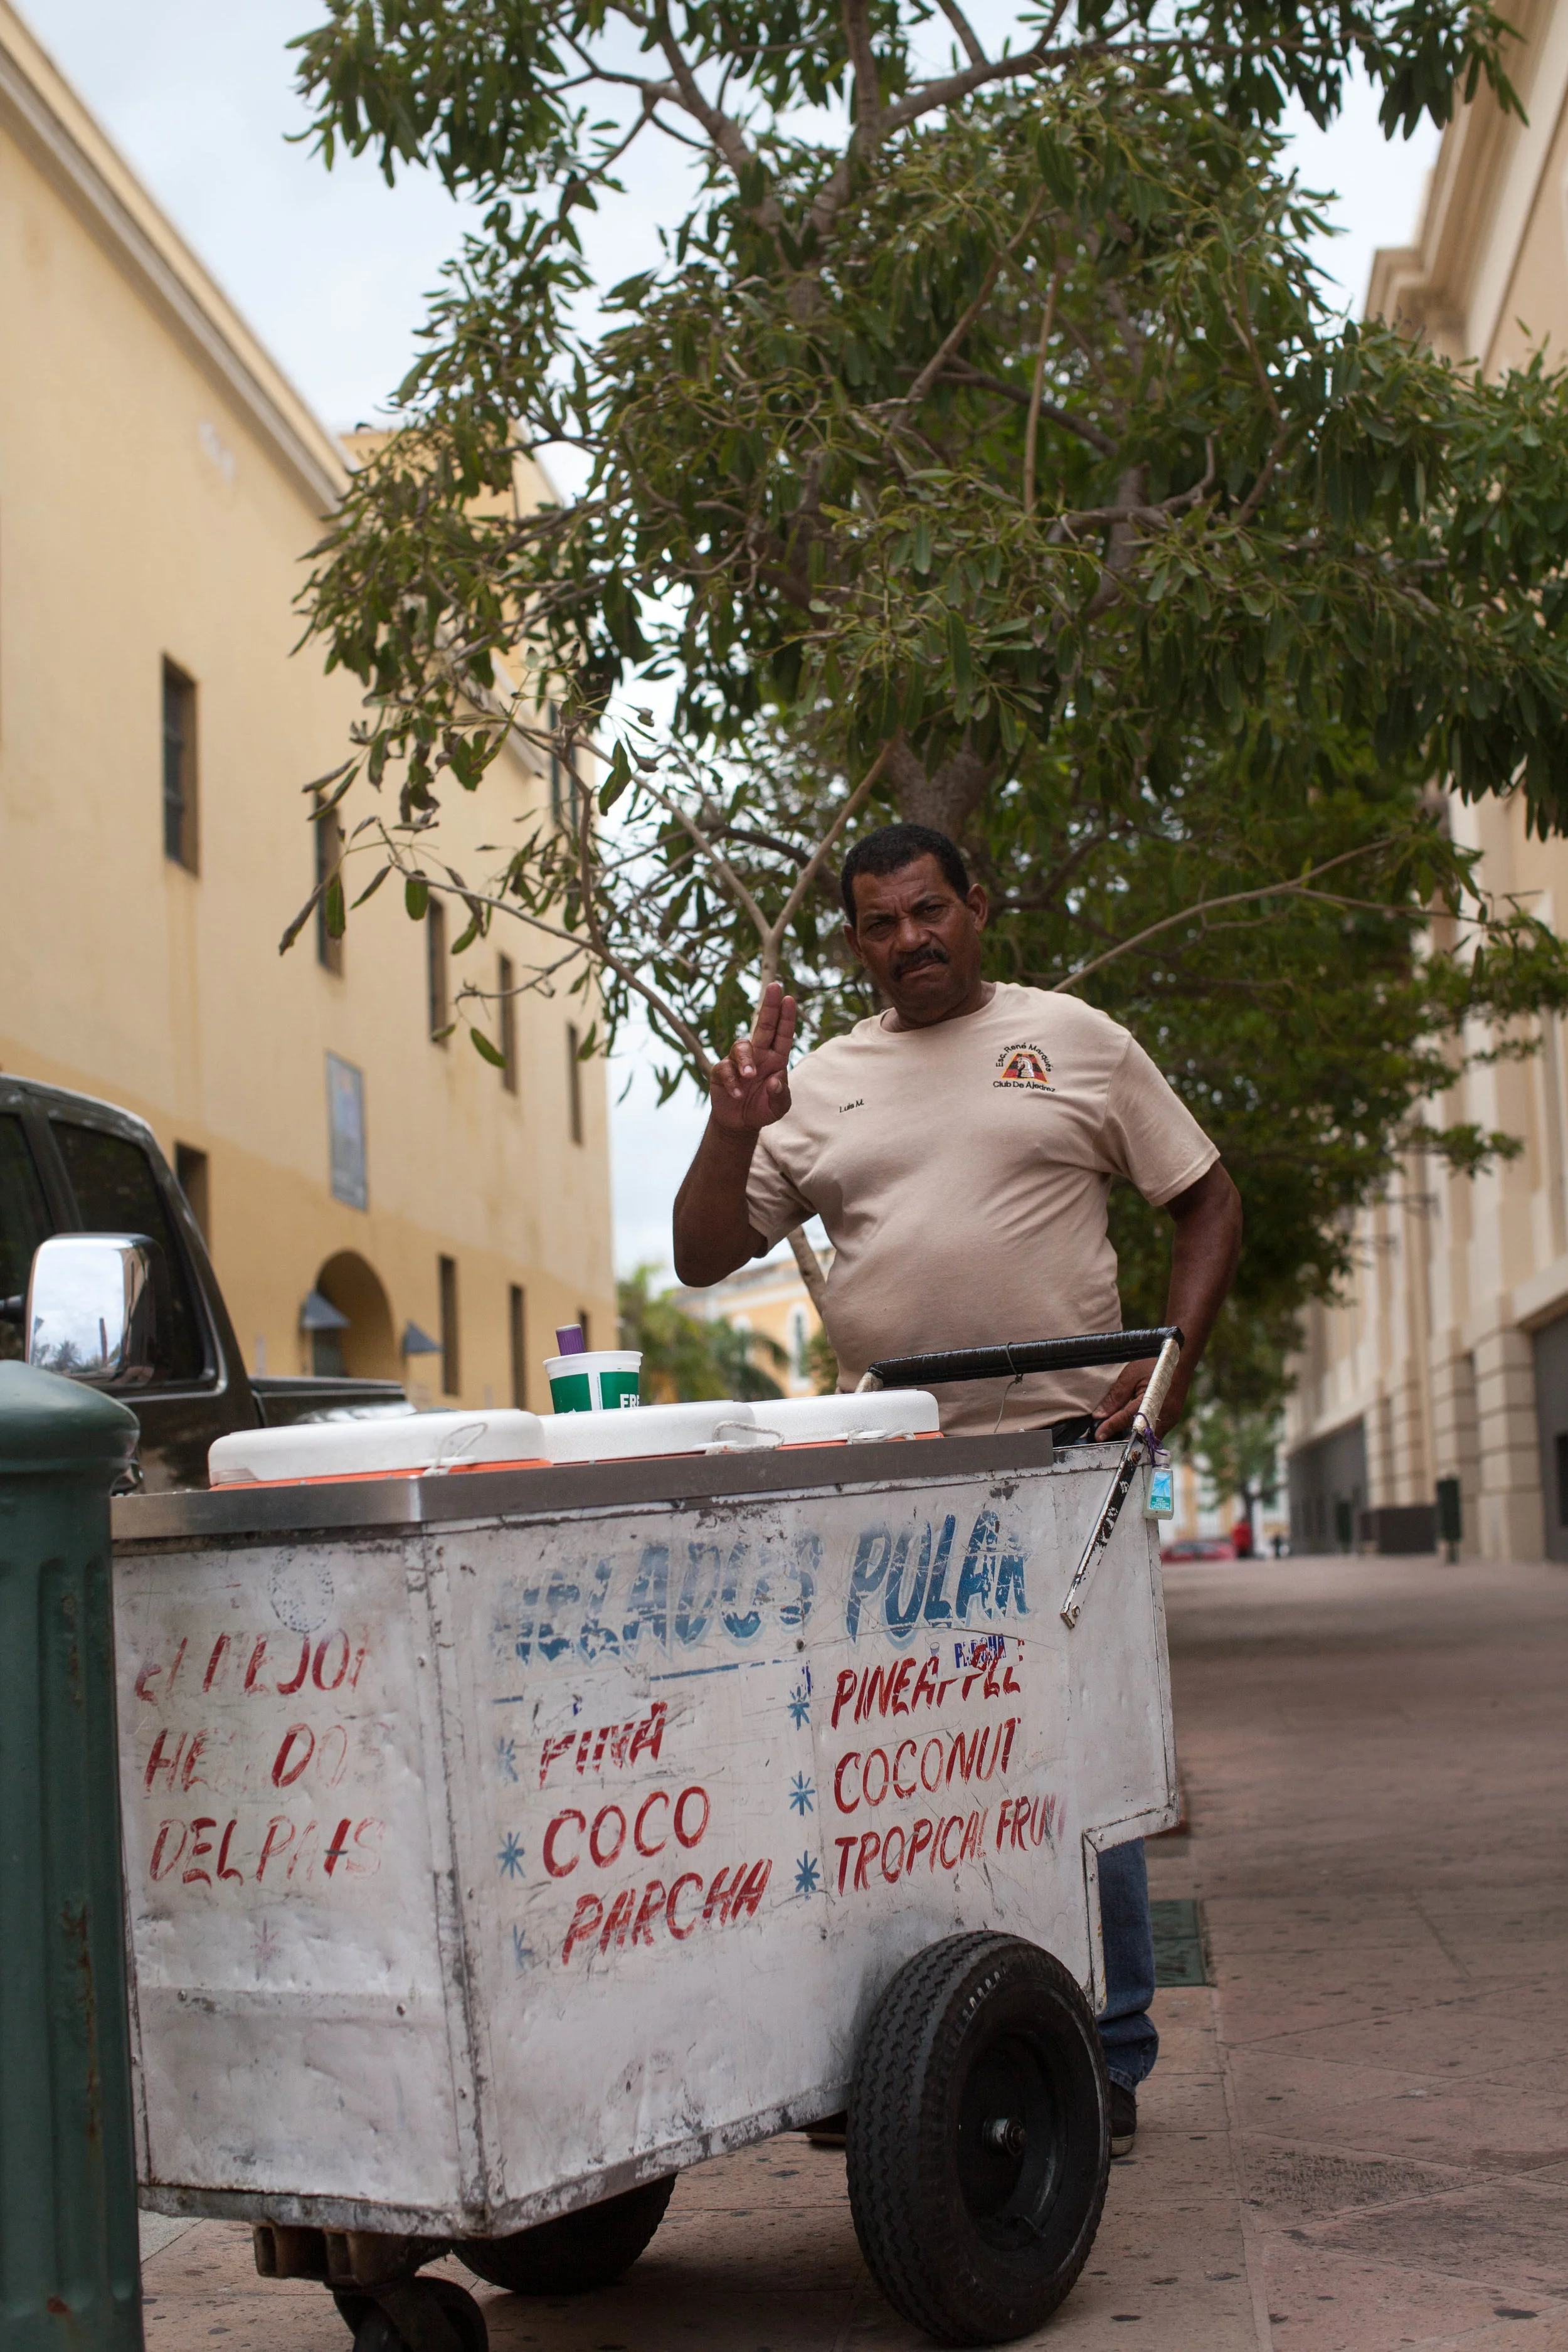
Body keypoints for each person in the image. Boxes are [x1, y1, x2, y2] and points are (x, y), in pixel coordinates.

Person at [673, 821, 1242, 2154]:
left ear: (975, 909)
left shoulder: (1076, 1039)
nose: (908, 941)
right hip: (897, 1477)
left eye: (929, 912)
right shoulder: (816, 1083)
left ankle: (1097, 2057)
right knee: (899, 1767)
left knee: (1078, 1762)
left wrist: (1161, 1382)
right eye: (879, 924)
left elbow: (1207, 1203)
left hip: (1065, 1459)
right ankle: (908, 2056)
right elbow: (704, 1255)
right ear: (854, 944)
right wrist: (728, 1130)